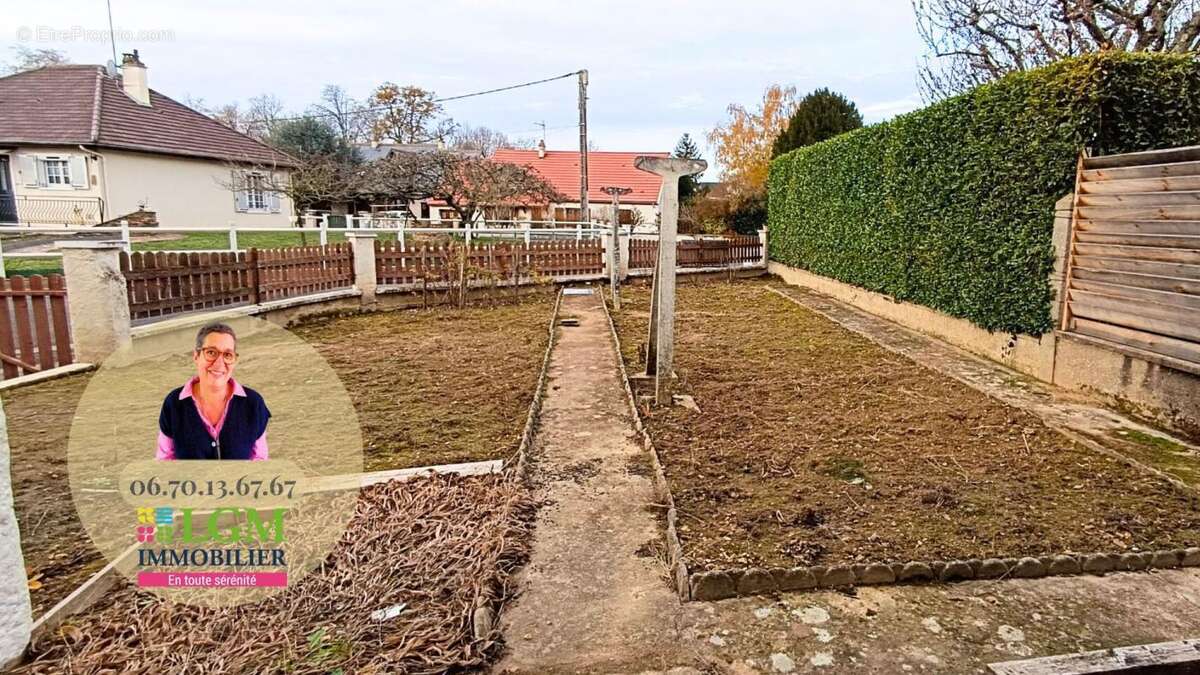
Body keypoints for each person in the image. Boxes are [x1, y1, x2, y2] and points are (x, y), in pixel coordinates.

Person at [157, 323, 270, 460]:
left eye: (228, 355)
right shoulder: (174, 404)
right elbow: (165, 460)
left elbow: (260, 461)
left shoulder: (253, 403)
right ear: (196, 356)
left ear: (234, 360)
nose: (219, 363)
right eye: (211, 352)